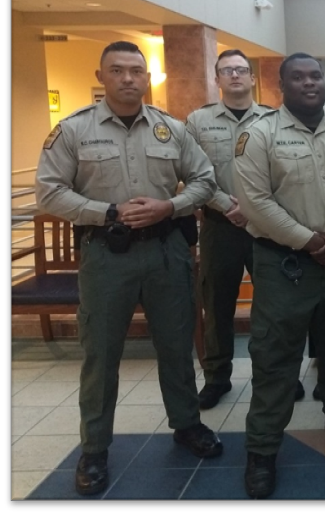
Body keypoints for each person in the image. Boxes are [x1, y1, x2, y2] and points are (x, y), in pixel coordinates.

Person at [35, 41, 222, 496]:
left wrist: (169, 206)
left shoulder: (170, 129)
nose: (128, 78)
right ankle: (94, 449)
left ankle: (187, 424)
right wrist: (107, 212)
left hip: (166, 251)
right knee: (101, 354)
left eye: (136, 70)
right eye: (117, 70)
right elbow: (49, 191)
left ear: (147, 77)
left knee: (176, 344)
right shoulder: (74, 130)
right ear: (100, 76)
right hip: (106, 254)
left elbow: (205, 180)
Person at [233, 52, 325, 498]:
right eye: (297, 77)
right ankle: (262, 449)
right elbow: (255, 201)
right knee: (276, 357)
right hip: (285, 265)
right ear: (281, 86)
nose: (309, 83)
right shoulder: (258, 135)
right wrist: (310, 241)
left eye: (315, 75)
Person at [186, 49, 270, 409]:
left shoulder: (273, 119)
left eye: (241, 70)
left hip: (266, 228)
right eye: (226, 70)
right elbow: (191, 172)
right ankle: (217, 377)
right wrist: (226, 205)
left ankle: (272, 375)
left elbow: (281, 172)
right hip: (219, 227)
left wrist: (254, 209)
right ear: (217, 78)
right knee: (217, 305)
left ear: (252, 77)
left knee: (271, 305)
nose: (234, 75)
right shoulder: (198, 121)